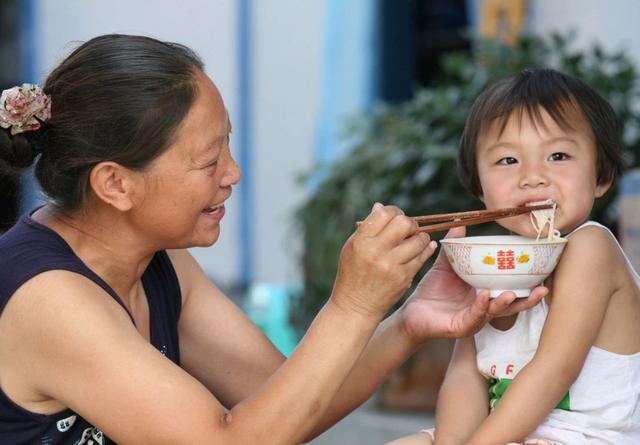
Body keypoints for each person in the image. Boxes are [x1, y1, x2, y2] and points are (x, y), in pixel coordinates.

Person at [0, 34, 547, 445]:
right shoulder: (50, 298)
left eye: (228, 149)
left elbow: (281, 401)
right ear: (116, 183)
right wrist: (351, 303)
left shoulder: (158, 261)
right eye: (209, 160)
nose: (233, 174)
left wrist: (408, 322)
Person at [387, 68, 640, 445]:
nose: (533, 177)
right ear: (479, 184)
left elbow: (555, 369)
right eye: (508, 161)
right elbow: (465, 377)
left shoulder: (591, 248)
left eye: (558, 155)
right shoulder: (489, 262)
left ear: (600, 175)